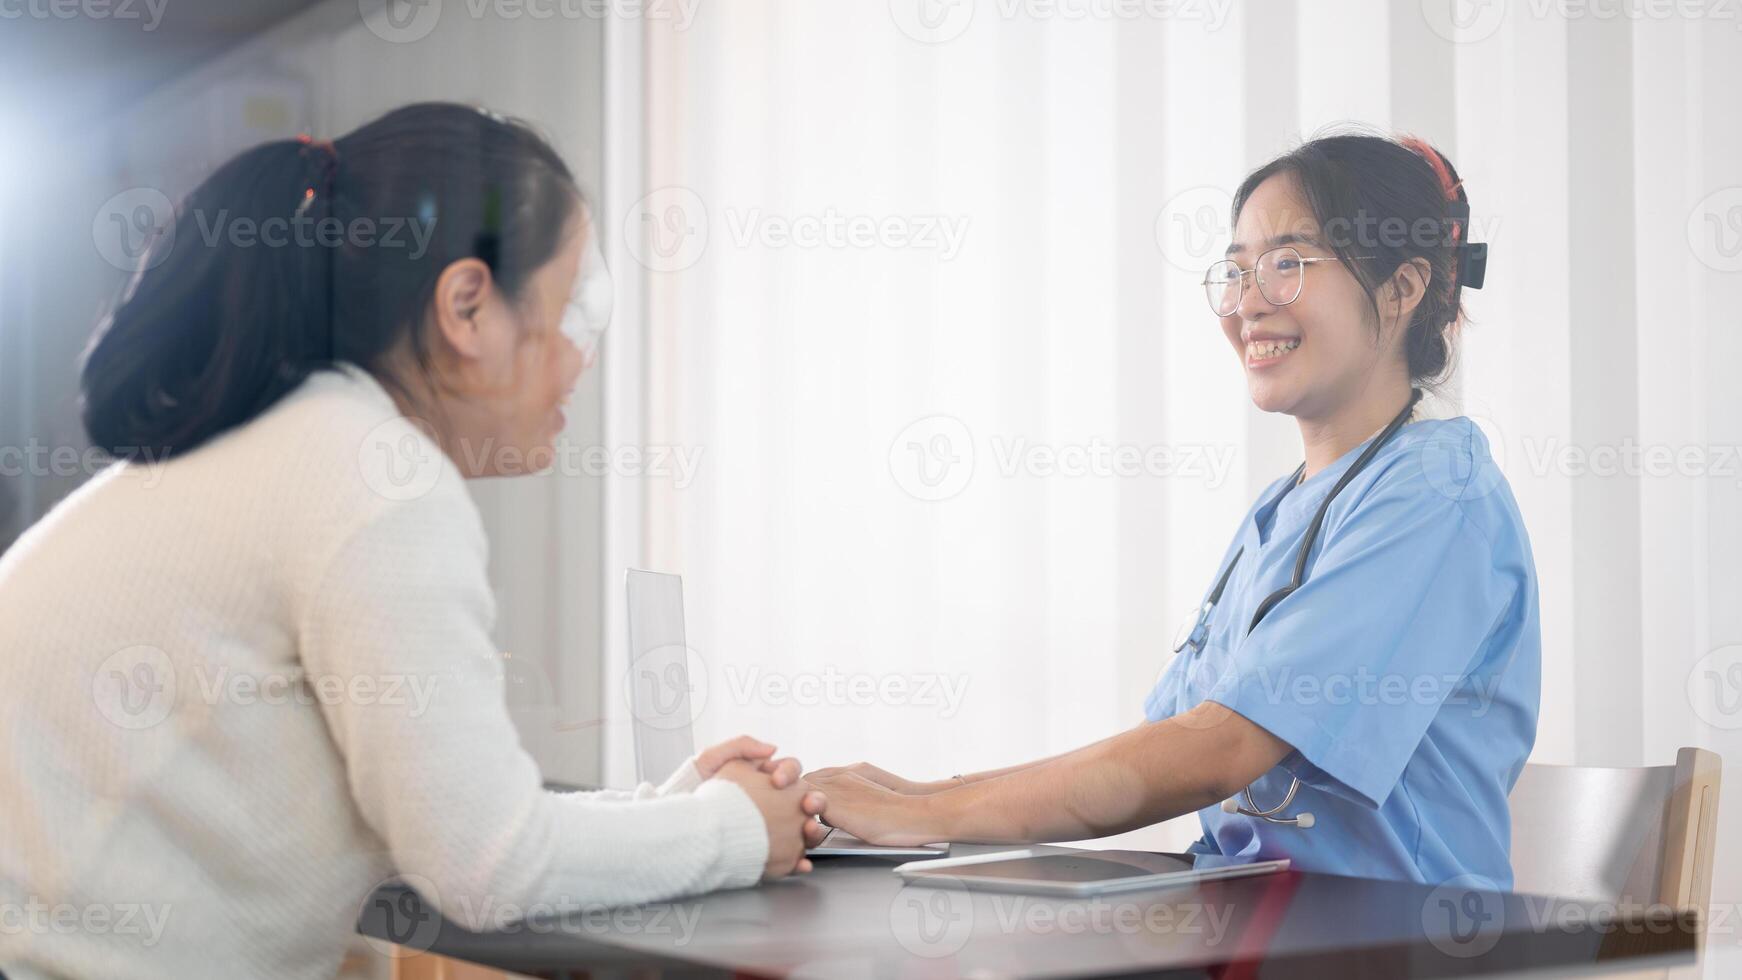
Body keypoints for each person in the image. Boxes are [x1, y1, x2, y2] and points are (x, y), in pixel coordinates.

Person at [0, 103, 825, 980]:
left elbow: (442, 817)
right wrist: (734, 829)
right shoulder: (373, 477)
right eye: (572, 309)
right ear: (468, 307)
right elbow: (489, 867)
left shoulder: (300, 439)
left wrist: (671, 809)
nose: (583, 357)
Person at [809, 131, 1541, 889]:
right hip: (1250, 914)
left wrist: (929, 819)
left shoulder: (1436, 491)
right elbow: (1171, 738)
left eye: (1288, 263)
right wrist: (928, 794)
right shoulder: (1280, 511)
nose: (1246, 305)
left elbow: (1219, 752)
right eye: (1236, 271)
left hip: (1392, 943)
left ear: (1402, 287)